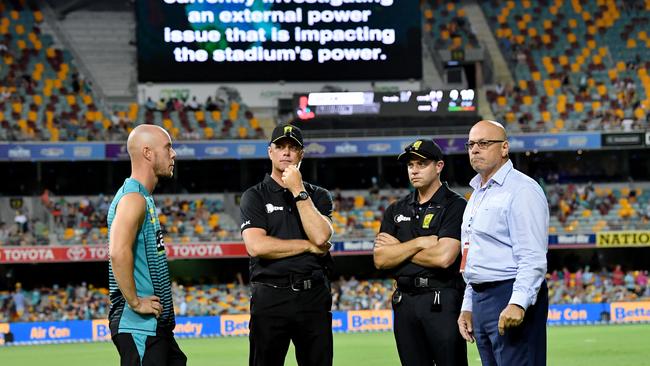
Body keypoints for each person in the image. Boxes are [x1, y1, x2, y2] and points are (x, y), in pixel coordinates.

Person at [240, 123, 334, 366]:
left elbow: (321, 237)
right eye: (280, 146)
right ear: (270, 151)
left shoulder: (319, 195)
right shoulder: (255, 195)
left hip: (312, 295)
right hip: (270, 295)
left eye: (293, 148)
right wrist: (307, 246)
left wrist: (298, 189)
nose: (286, 153)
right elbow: (256, 246)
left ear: (301, 154)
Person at [457, 120, 549, 366]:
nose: (475, 149)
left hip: (508, 292)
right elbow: (473, 254)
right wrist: (468, 304)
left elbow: (532, 256)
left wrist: (518, 302)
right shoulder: (477, 193)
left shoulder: (522, 190)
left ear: (504, 148)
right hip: (480, 296)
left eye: (484, 143)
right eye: (471, 144)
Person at [374, 139, 468, 366]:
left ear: (439, 166)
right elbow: (380, 259)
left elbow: (444, 258)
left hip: (441, 298)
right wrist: (419, 243)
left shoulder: (455, 205)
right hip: (404, 301)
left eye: (422, 164)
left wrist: (398, 249)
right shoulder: (396, 209)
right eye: (410, 165)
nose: (414, 170)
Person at [107, 124, 186, 366]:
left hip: (153, 327)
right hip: (139, 327)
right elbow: (117, 252)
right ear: (148, 153)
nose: (173, 154)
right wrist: (135, 301)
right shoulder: (133, 198)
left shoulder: (142, 197)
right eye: (168, 147)